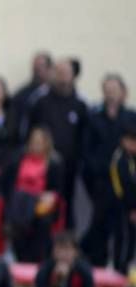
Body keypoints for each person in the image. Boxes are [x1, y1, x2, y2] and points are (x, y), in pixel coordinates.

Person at [81, 75, 136, 267]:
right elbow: (86, 150)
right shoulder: (94, 117)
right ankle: (98, 263)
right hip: (102, 182)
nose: (111, 93)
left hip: (127, 184)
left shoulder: (131, 117)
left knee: (125, 228)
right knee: (100, 225)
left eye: (115, 89)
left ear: (123, 92)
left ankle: (123, 266)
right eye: (107, 89)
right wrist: (98, 171)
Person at [29, 59, 88, 229]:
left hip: (70, 165)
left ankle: (65, 242)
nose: (62, 77)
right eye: (59, 72)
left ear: (73, 76)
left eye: (66, 72)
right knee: (43, 205)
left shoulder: (80, 104)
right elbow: (31, 130)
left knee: (67, 204)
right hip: (43, 165)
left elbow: (84, 136)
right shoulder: (40, 101)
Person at [0, 126, 63, 263]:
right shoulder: (18, 158)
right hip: (18, 201)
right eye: (33, 141)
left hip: (41, 203)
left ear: (47, 143)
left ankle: (36, 259)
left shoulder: (54, 162)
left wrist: (51, 195)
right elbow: (5, 181)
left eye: (40, 142)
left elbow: (58, 189)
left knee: (41, 220)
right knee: (20, 200)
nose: (36, 145)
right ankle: (22, 257)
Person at [12, 52, 53, 139]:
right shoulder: (22, 95)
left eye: (41, 66)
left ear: (50, 69)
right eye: (35, 67)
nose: (37, 70)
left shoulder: (58, 93)